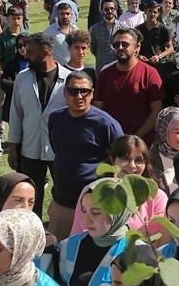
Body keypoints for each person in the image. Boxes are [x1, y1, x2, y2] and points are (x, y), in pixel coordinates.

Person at [47, 71, 122, 240]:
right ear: (65, 93)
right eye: (73, 91)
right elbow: (56, 149)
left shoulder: (106, 123)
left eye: (84, 91)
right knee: (56, 252)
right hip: (62, 201)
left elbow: (120, 161)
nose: (79, 96)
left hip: (94, 206)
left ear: (92, 93)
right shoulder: (55, 118)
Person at [8, 32, 70, 217]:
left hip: (59, 150)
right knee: (30, 196)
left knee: (63, 194)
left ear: (45, 53)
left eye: (31, 52)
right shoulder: (22, 78)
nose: (26, 56)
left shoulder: (69, 79)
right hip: (30, 149)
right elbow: (16, 114)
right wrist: (12, 148)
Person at [94, 27, 164, 143]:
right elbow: (98, 109)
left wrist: (135, 138)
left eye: (125, 44)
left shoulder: (150, 73)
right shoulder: (105, 74)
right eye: (116, 45)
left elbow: (156, 111)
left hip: (141, 144)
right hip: (111, 143)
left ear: (136, 47)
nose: (120, 48)